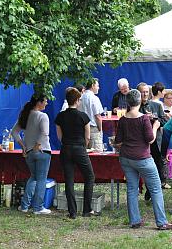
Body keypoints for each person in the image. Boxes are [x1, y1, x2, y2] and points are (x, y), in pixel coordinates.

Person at [114, 89, 172, 230]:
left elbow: (118, 142)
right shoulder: (144, 119)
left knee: (132, 188)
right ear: (139, 101)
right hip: (142, 158)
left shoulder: (123, 119)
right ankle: (161, 222)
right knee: (155, 189)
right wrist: (155, 126)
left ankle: (135, 221)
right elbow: (150, 139)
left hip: (126, 158)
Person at [55, 88, 99, 219]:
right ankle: (87, 209)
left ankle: (72, 212)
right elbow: (87, 137)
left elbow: (59, 136)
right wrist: (82, 147)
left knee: (69, 180)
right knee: (90, 176)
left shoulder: (60, 116)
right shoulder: (83, 116)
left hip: (66, 148)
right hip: (79, 148)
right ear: (77, 100)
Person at [11, 94, 52, 215]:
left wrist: (23, 146)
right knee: (41, 179)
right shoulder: (43, 116)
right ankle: (38, 207)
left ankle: (24, 206)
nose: (46, 103)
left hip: (29, 153)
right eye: (45, 101)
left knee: (33, 177)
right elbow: (45, 133)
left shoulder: (25, 116)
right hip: (42, 151)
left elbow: (14, 132)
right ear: (38, 102)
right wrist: (37, 145)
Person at [137, 82, 170, 194]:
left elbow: (164, 121)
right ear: (138, 93)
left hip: (156, 140)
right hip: (141, 141)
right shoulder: (134, 107)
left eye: (146, 92)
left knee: (158, 164)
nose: (145, 94)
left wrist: (155, 118)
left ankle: (153, 190)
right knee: (145, 166)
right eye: (142, 92)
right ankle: (147, 188)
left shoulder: (156, 105)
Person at [80, 78, 104, 152]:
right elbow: (98, 116)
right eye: (97, 86)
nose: (98, 88)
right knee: (97, 155)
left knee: (85, 154)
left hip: (82, 129)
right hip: (93, 129)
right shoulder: (94, 98)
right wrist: (100, 129)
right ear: (93, 85)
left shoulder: (80, 98)